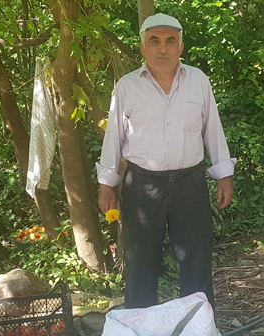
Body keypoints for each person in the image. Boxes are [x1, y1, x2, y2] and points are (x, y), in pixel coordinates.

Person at [97, 13, 235, 309]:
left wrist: (224, 174)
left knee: (196, 262)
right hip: (142, 185)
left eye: (170, 41)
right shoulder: (126, 87)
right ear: (143, 47)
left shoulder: (198, 81)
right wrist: (107, 183)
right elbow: (114, 139)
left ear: (181, 47)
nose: (163, 48)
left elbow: (212, 128)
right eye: (155, 41)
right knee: (140, 265)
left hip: (190, 185)